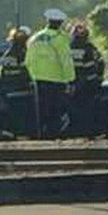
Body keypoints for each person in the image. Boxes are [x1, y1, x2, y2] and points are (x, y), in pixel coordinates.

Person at [25, 9, 75, 139]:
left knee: (41, 111)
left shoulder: (35, 38)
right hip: (56, 80)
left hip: (39, 80)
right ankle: (54, 137)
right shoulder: (59, 38)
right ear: (60, 23)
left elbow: (28, 61)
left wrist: (33, 76)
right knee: (56, 111)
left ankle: (42, 137)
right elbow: (66, 60)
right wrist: (70, 79)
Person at [0, 27, 33, 135]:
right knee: (25, 121)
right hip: (24, 93)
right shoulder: (27, 55)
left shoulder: (6, 56)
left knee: (14, 120)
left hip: (9, 93)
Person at [69, 23, 105, 135]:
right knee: (90, 108)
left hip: (74, 82)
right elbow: (98, 64)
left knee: (74, 108)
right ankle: (90, 131)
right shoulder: (89, 47)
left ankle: (76, 130)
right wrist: (98, 79)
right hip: (89, 83)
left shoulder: (68, 47)